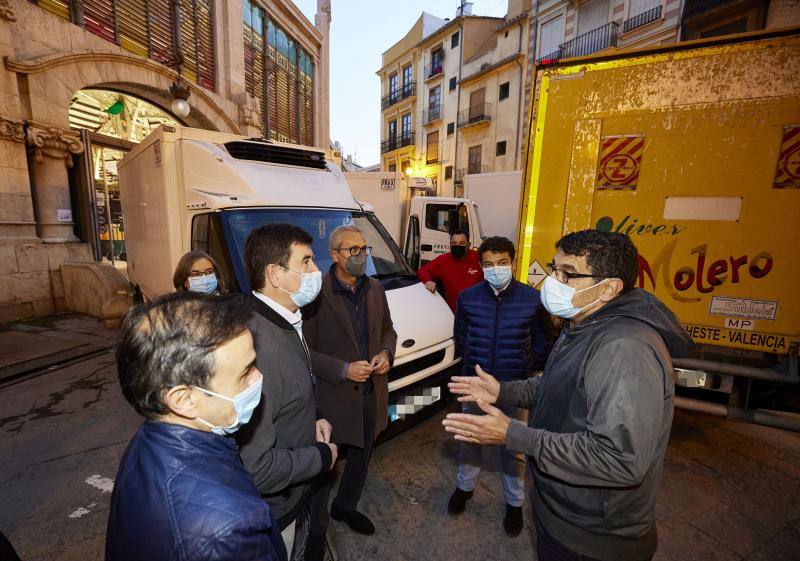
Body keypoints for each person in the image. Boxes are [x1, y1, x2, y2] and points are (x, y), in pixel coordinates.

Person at [444, 230, 693, 561]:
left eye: (568, 274)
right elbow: (554, 385)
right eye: (554, 268)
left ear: (608, 288)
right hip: (565, 513)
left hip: (592, 538)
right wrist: (503, 389)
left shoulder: (624, 347)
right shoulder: (582, 322)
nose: (553, 281)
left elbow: (619, 459)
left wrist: (513, 434)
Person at [106, 292, 286, 561]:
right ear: (184, 399)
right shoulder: (224, 530)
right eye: (245, 372)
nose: (259, 378)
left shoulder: (151, 436)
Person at [236, 224, 338, 560]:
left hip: (294, 491)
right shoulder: (258, 347)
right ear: (275, 275)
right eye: (306, 262)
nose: (316, 271)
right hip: (275, 510)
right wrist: (321, 458)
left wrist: (314, 417)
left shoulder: (286, 318)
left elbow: (293, 387)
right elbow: (258, 467)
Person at [447, 236, 551, 537]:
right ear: (481, 266)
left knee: (514, 447)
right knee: (470, 440)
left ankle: (514, 503)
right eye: (489, 264)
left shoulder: (532, 299)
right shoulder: (468, 298)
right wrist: (468, 373)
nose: (496, 269)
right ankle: (464, 488)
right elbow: (461, 337)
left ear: (513, 262)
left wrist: (532, 372)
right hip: (476, 384)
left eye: (502, 263)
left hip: (514, 385)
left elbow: (544, 340)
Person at [302, 224, 398, 552]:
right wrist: (342, 370)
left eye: (364, 250)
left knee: (362, 455)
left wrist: (386, 352)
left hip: (371, 393)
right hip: (332, 398)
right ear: (334, 255)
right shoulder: (315, 293)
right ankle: (316, 532)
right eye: (352, 250)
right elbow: (303, 351)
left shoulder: (375, 290)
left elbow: (388, 329)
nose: (360, 256)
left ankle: (346, 506)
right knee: (324, 465)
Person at [417, 229, 483, 311]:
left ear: (468, 245)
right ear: (450, 245)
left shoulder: (478, 258)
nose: (457, 246)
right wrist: (428, 281)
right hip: (455, 312)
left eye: (462, 243)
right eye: (454, 243)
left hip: (478, 310)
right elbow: (423, 270)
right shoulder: (443, 260)